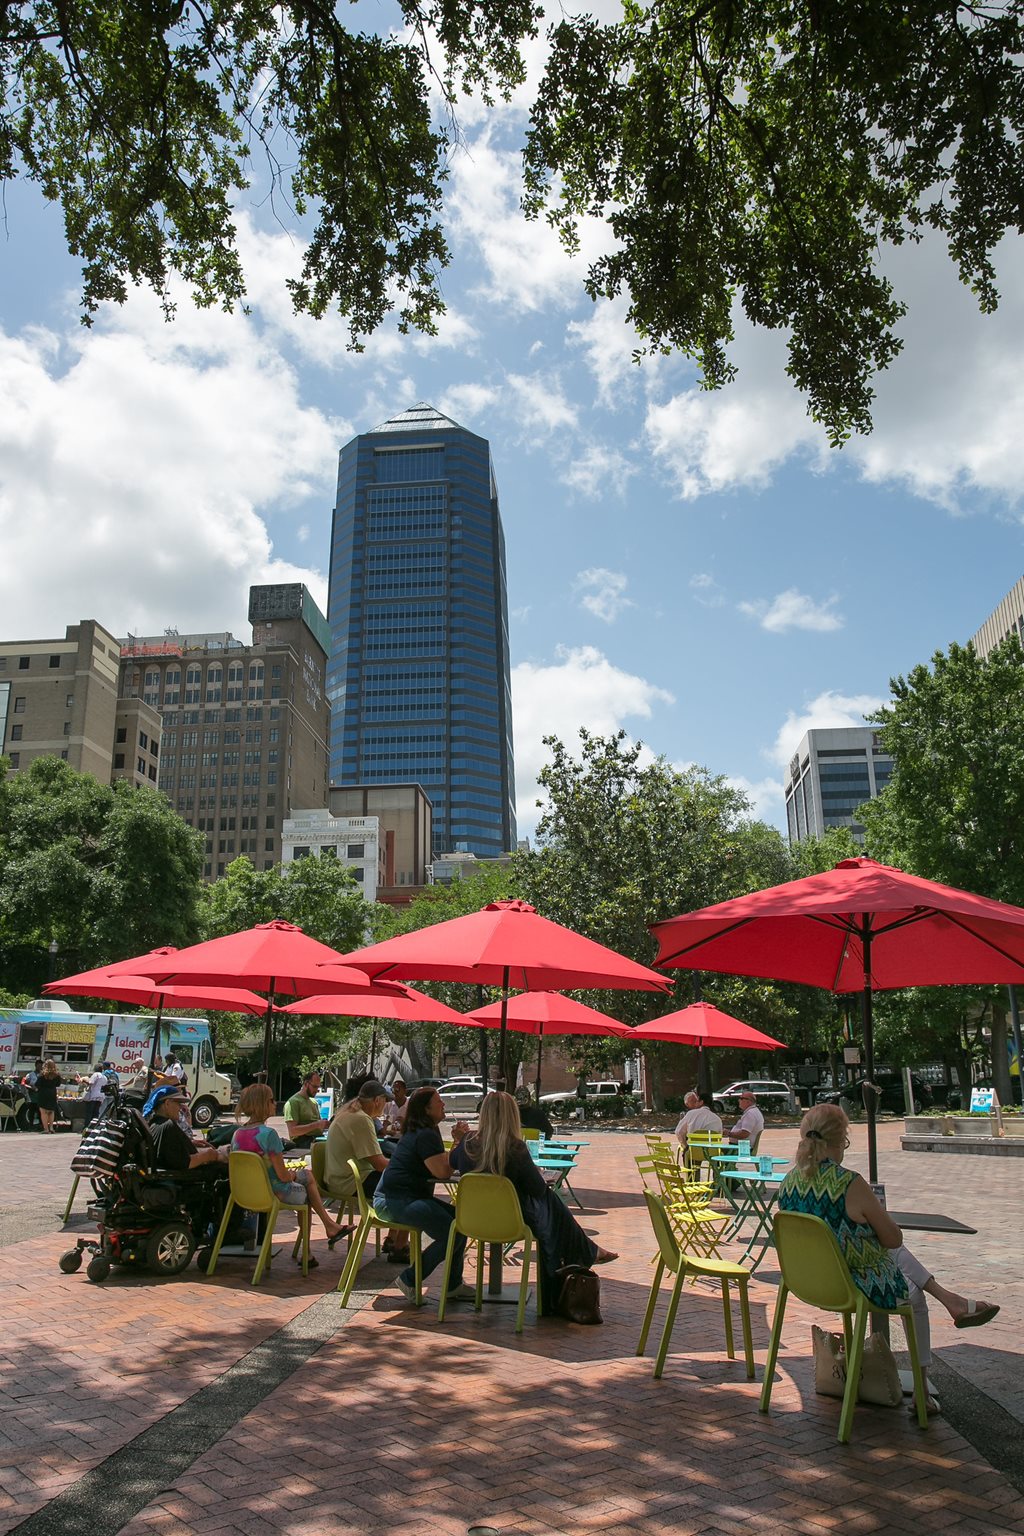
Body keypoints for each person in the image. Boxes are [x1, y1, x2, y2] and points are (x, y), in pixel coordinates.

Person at [778, 1104, 1000, 1399]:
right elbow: (894, 1238)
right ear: (840, 1140)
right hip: (854, 1285)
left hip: (806, 1282)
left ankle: (951, 1300)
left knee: (885, 1254)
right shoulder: (849, 1183)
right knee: (912, 1292)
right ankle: (921, 1388)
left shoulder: (788, 1183)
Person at [451, 1092, 616, 1309]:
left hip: (472, 1221)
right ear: (512, 1116)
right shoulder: (515, 1148)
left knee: (550, 1205)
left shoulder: (467, 1143)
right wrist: (536, 1172)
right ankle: (584, 1252)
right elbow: (537, 1189)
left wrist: (457, 1140)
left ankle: (588, 1249)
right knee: (550, 1201)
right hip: (513, 1222)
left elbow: (452, 1161)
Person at [374, 1086, 473, 1303]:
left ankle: (453, 1284)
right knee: (453, 1232)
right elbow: (443, 1171)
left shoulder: (425, 1130)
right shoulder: (425, 1134)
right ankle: (410, 1279)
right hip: (395, 1201)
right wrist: (458, 1142)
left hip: (405, 1197)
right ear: (427, 1109)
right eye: (439, 1101)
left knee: (461, 1222)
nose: (443, 1104)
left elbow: (440, 1166)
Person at [232, 1082, 347, 1256]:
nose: (274, 1103)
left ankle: (327, 1229)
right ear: (262, 1104)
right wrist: (293, 1174)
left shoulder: (237, 1134)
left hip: (246, 1194)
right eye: (271, 1100)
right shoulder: (269, 1135)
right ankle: (310, 1249)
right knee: (307, 1186)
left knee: (306, 1178)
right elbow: (283, 1176)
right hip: (274, 1192)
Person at [145, 1085, 225, 1174]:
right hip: (180, 1180)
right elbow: (184, 1163)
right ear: (167, 1103)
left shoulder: (154, 1124)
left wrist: (189, 1142)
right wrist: (209, 1155)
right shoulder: (168, 1126)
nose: (180, 1108)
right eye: (178, 1103)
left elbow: (169, 1148)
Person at [283, 1070, 329, 1145]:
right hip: (303, 1141)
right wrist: (316, 1125)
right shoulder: (293, 1102)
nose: (316, 1091)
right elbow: (292, 1131)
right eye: (314, 1087)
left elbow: (319, 1125)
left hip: (318, 1138)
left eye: (318, 1087)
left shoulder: (314, 1102)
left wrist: (325, 1124)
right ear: (306, 1084)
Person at [34, 1059, 63, 1133]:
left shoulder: (42, 1074)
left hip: (43, 1093)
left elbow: (37, 1084)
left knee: (43, 1112)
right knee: (51, 1111)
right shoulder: (57, 1074)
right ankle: (51, 1128)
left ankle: (46, 1129)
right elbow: (58, 1084)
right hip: (52, 1093)